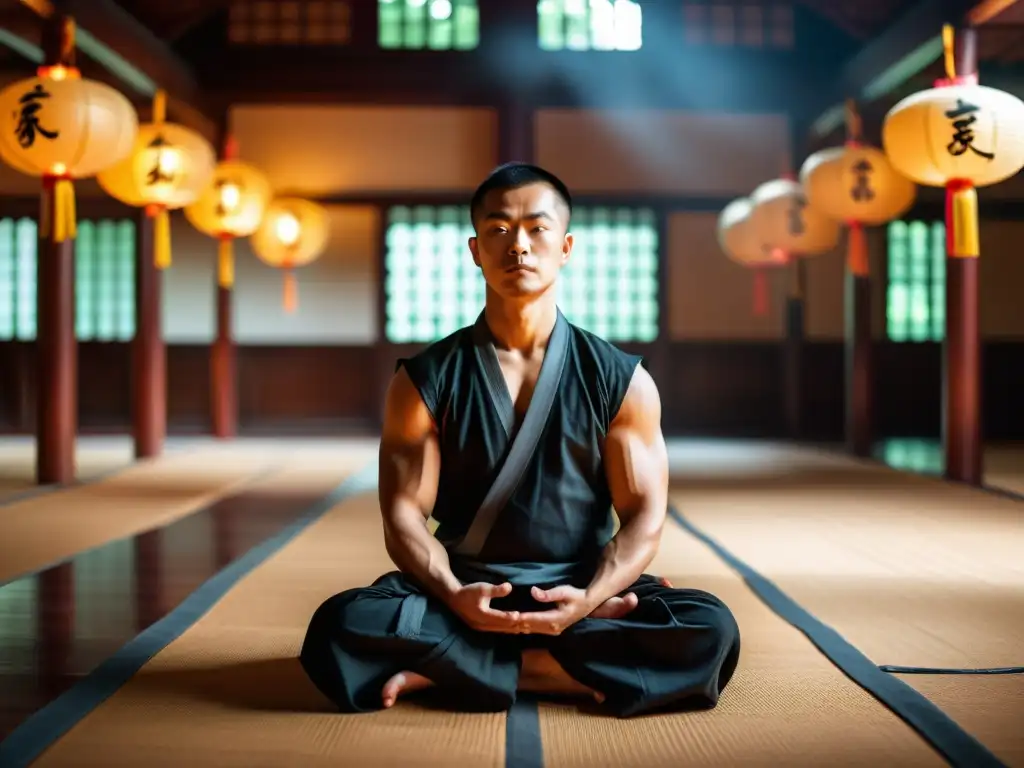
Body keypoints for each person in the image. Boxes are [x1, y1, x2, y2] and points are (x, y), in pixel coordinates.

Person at [300, 162, 740, 717]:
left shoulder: (621, 380)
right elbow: (404, 517)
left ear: (566, 246)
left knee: (710, 626)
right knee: (339, 624)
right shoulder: (425, 379)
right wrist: (454, 595)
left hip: (578, 585)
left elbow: (645, 520)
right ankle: (555, 671)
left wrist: (591, 598)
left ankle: (460, 671)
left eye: (537, 228)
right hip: (464, 588)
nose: (519, 247)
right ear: (475, 249)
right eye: (499, 230)